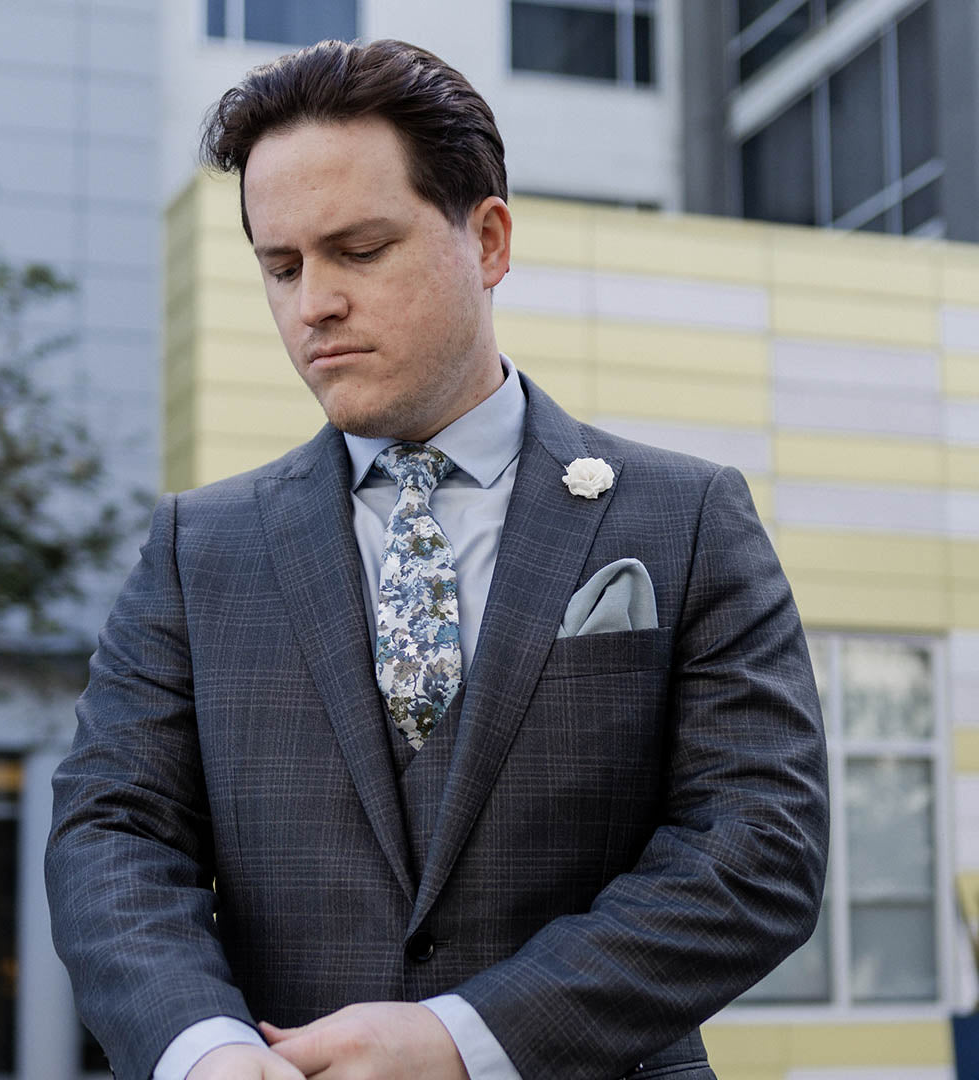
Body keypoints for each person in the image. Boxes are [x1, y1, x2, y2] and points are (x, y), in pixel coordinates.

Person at [45, 38, 829, 1080]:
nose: (311, 302)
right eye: (281, 266)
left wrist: (472, 1038)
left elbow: (757, 847)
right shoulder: (198, 549)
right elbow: (114, 836)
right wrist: (205, 1051)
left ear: (490, 238)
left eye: (359, 251)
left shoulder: (686, 519)